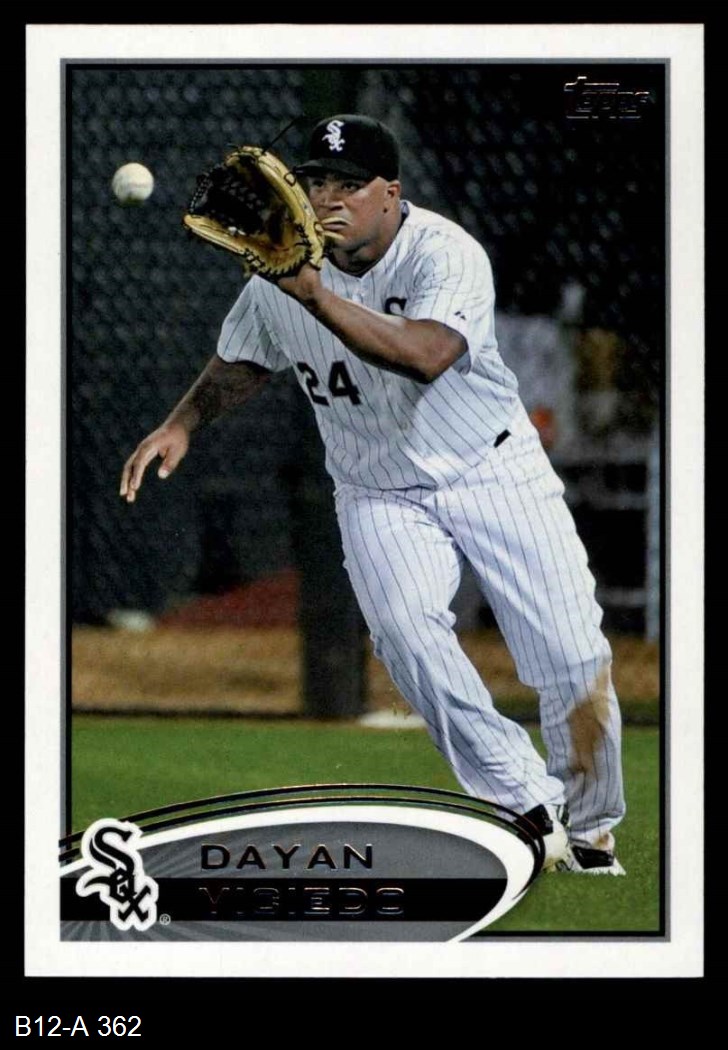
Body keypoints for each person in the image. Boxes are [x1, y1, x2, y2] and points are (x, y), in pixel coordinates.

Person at [120, 114, 626, 874]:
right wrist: (182, 422)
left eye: (349, 184)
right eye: (316, 180)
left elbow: (426, 353)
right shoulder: (279, 274)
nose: (329, 197)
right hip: (377, 489)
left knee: (571, 654)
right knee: (405, 637)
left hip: (492, 471)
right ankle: (524, 801)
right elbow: (244, 357)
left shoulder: (444, 253)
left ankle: (588, 828)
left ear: (391, 191)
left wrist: (312, 294)